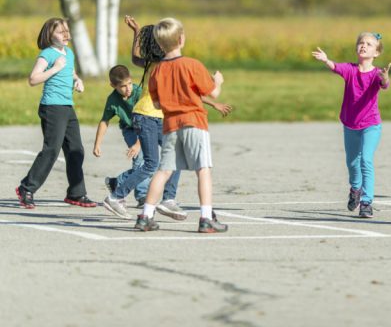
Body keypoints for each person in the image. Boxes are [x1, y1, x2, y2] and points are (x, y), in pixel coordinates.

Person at [108, 16, 231, 221]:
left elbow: (135, 58)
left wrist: (136, 32)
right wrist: (217, 82)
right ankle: (118, 194)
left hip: (162, 118)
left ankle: (162, 203)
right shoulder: (177, 65)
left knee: (169, 164)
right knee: (156, 164)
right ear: (181, 40)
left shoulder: (153, 66)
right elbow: (195, 92)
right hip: (155, 117)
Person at [15, 18, 97, 209]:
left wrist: (78, 80)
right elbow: (33, 79)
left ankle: (76, 193)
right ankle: (26, 188)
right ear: (50, 36)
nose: (66, 35)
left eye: (67, 31)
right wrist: (55, 68)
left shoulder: (68, 53)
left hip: (67, 107)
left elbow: (71, 72)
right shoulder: (47, 54)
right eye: (61, 32)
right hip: (52, 107)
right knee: (51, 150)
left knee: (76, 150)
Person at [312, 32, 391, 218]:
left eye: (369, 44)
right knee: (352, 162)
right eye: (361, 43)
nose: (364, 46)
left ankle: (366, 202)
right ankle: (355, 189)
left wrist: (386, 78)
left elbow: (384, 84)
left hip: (371, 124)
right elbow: (336, 67)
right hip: (350, 124)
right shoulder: (350, 69)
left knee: (366, 160)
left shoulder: (377, 73)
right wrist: (326, 60)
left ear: (376, 53)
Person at [92, 64, 148, 215]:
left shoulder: (139, 92)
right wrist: (97, 144)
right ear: (113, 85)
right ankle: (142, 195)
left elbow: (148, 119)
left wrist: (139, 143)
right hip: (130, 130)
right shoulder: (112, 100)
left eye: (129, 83)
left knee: (150, 162)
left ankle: (116, 182)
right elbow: (104, 121)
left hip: (146, 127)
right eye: (123, 86)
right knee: (140, 159)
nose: (128, 89)